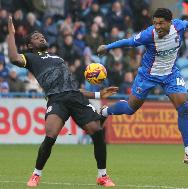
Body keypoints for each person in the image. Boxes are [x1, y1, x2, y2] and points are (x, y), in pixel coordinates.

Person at [7, 16, 117, 187]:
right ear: (30, 46)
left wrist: (98, 94)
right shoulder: (30, 58)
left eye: (41, 36)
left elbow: (72, 87)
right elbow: (13, 57)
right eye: (36, 37)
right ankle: (36, 174)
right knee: (50, 135)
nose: (41, 37)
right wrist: (10, 33)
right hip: (56, 99)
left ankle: (102, 176)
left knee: (97, 131)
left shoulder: (58, 59)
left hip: (74, 96)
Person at [97, 8, 188, 169]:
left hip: (170, 73)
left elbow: (187, 23)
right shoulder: (149, 34)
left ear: (170, 22)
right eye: (155, 23)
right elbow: (129, 42)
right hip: (148, 75)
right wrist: (108, 47)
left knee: (184, 106)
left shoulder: (179, 26)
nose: (157, 27)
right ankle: (104, 112)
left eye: (161, 23)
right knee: (130, 108)